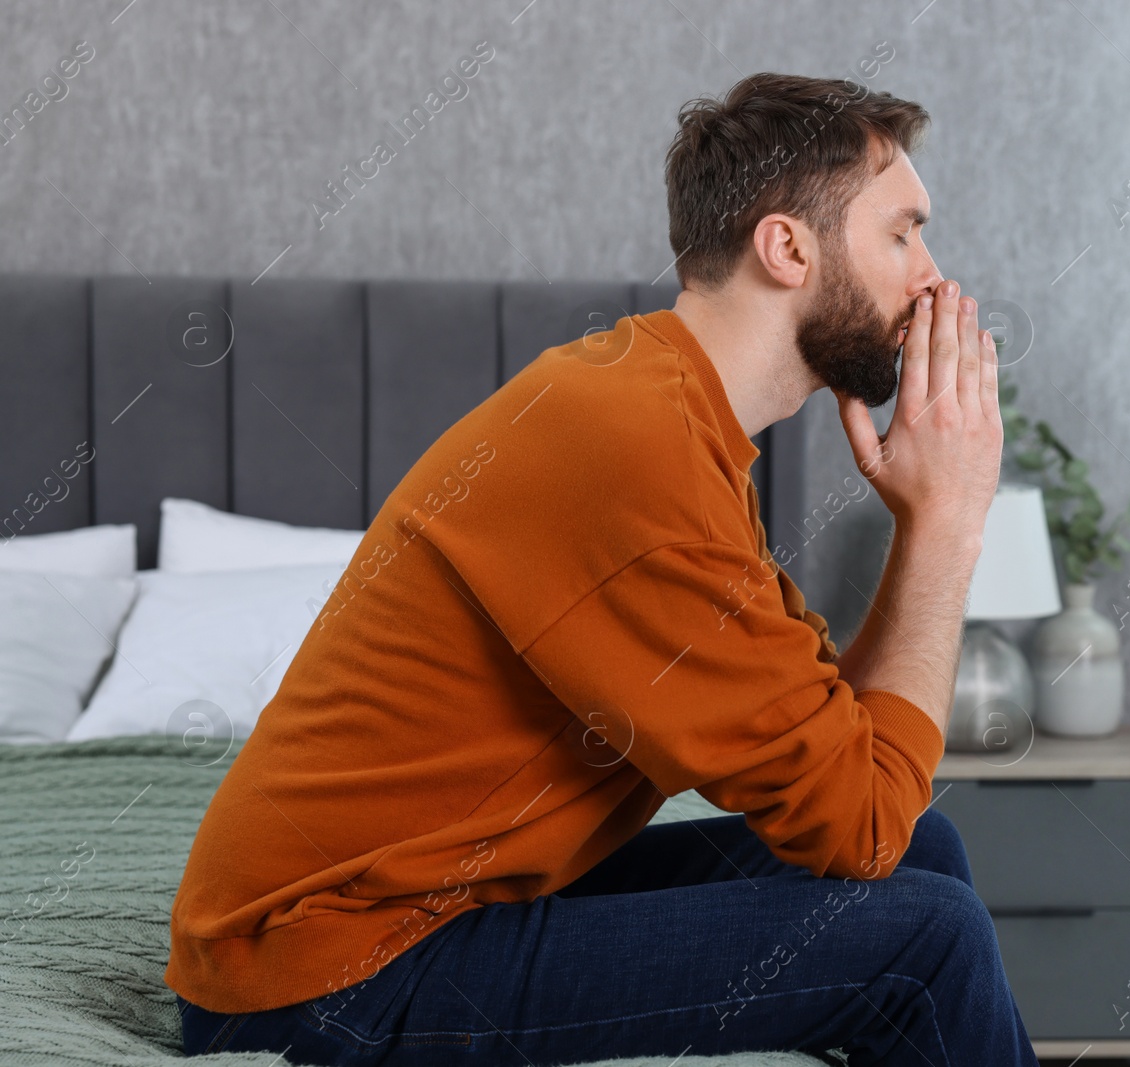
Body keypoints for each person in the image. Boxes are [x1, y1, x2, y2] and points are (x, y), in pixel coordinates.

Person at [167, 70, 1035, 1066]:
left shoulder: (661, 409)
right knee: (927, 940)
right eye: (902, 233)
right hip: (323, 976)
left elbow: (850, 771)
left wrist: (929, 515)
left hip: (416, 910)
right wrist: (949, 526)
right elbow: (863, 823)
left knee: (930, 856)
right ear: (787, 247)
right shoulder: (637, 454)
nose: (932, 276)